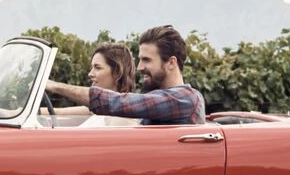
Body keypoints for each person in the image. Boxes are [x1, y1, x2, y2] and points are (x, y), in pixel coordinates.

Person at [43, 25, 206, 125]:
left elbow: (118, 102)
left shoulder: (185, 99)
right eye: (140, 60)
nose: (140, 67)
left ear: (171, 63)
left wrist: (54, 85)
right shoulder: (159, 100)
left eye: (147, 60)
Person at [46, 44, 141, 126]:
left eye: (98, 68)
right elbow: (57, 112)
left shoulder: (123, 118)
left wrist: (53, 86)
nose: (90, 74)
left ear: (117, 72)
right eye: (92, 67)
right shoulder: (98, 110)